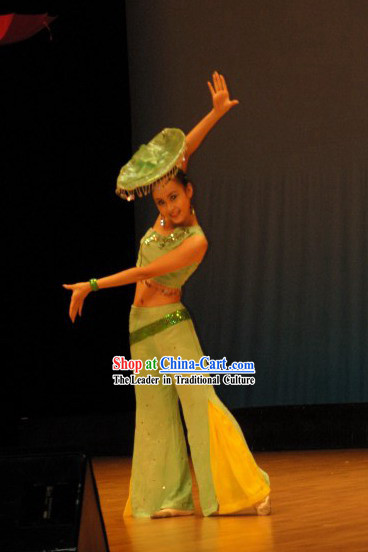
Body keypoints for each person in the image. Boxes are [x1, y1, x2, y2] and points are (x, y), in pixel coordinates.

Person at [63, 71, 271, 519]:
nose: (169, 208)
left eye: (175, 198)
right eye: (161, 202)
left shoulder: (195, 241)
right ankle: (169, 498)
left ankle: (244, 490)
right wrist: (213, 114)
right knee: (154, 418)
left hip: (174, 331)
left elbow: (145, 270)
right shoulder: (162, 221)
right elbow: (179, 155)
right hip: (140, 330)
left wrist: (93, 284)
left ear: (189, 192)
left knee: (201, 409)